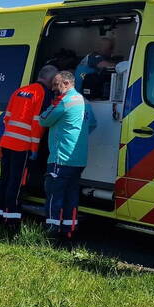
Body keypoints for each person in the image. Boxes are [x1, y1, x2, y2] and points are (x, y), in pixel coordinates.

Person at [0, 65, 59, 233]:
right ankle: (12, 223)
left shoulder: (19, 91)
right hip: (23, 146)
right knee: (16, 183)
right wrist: (35, 148)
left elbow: (6, 118)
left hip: (7, 142)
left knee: (4, 180)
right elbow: (38, 123)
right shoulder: (42, 93)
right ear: (51, 79)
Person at [39, 70, 97, 238]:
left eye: (56, 84)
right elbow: (92, 124)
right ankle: (68, 232)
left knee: (54, 196)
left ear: (66, 83)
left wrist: (52, 104)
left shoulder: (64, 101)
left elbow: (44, 119)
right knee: (71, 197)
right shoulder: (85, 101)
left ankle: (51, 233)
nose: (53, 88)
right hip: (78, 159)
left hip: (61, 157)